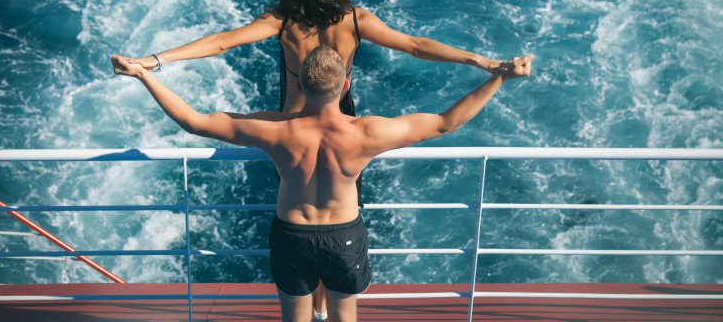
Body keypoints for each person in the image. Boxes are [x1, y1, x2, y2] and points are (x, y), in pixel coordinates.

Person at [120, 0, 506, 319]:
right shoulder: (356, 20)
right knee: (339, 203)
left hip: (290, 131)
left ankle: (310, 298)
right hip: (342, 126)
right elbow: (417, 48)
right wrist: (483, 64)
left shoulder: (282, 21)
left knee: (300, 199)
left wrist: (153, 62)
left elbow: (222, 44)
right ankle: (328, 297)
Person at [111, 48, 532, 322]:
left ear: (299, 85)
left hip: (291, 233)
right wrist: (500, 77)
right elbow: (445, 123)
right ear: (345, 85)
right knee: (343, 318)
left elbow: (194, 121)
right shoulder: (366, 133)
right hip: (344, 233)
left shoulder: (274, 130)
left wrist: (144, 75)